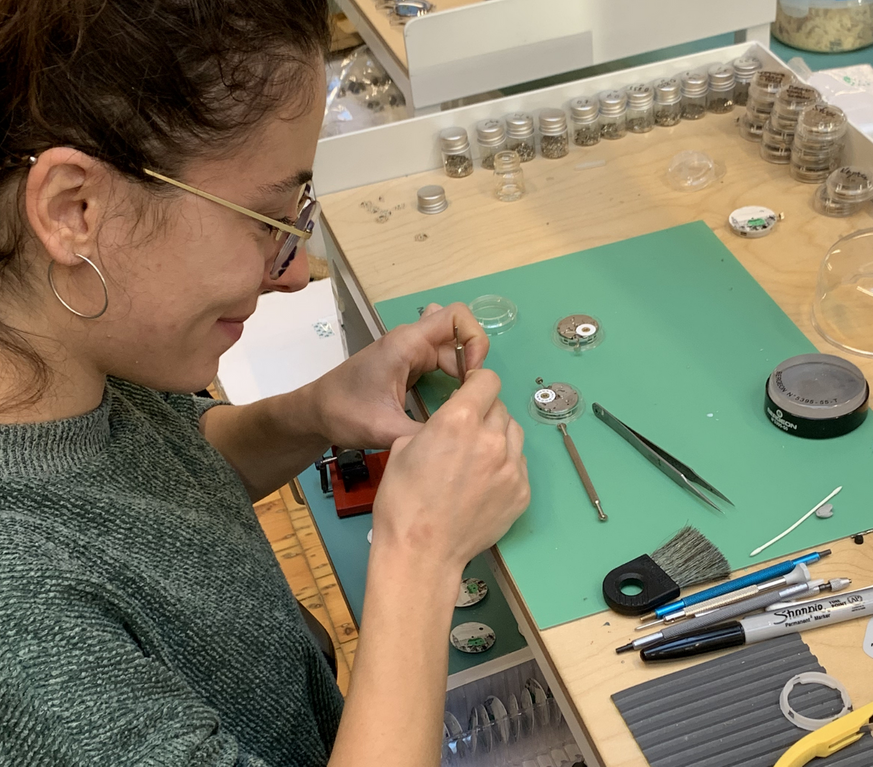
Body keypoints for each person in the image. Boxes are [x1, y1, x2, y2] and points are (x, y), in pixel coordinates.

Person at [0, 1, 530, 764]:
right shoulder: (24, 630)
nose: (290, 273)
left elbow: (150, 486)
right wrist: (421, 555)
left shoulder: (67, 343)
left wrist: (315, 410)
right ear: (74, 209)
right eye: (265, 217)